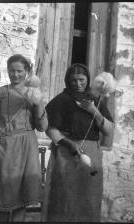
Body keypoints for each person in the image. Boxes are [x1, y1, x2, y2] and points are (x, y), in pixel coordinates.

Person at [0, 54, 48, 222]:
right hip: (3, 149)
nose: (15, 75)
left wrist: (38, 103)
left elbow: (42, 126)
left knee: (22, 195)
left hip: (26, 148)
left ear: (27, 72)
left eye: (19, 71)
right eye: (11, 71)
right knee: (2, 193)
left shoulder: (34, 94)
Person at [41, 63, 114, 222]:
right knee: (63, 195)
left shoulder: (95, 100)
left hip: (91, 154)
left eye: (81, 79)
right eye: (73, 80)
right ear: (68, 81)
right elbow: (49, 128)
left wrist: (93, 110)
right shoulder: (61, 100)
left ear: (87, 79)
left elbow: (108, 131)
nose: (78, 84)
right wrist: (68, 143)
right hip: (65, 153)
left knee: (89, 196)